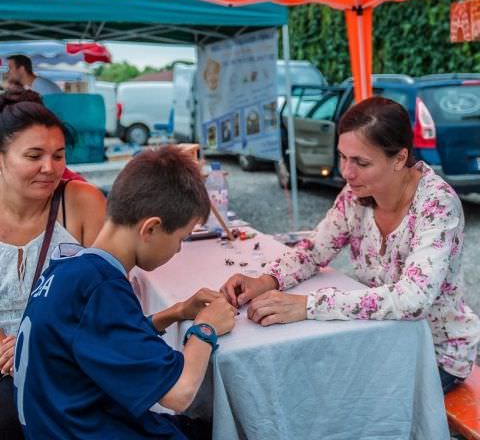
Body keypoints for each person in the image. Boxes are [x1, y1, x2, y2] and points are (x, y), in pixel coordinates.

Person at [221, 96, 480, 394]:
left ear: (399, 158)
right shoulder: (356, 193)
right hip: (376, 336)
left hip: (433, 353)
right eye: (343, 157)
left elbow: (412, 300)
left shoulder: (437, 204)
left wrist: (308, 305)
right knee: (298, 375)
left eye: (361, 162)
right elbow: (314, 249)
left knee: (327, 392)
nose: (347, 172)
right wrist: (267, 280)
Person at [14, 146, 237, 439]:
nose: (178, 250)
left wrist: (175, 313)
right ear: (151, 229)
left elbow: (99, 339)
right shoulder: (100, 287)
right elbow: (179, 393)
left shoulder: (70, 265)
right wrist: (205, 328)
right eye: (180, 239)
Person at [0, 88, 106, 439]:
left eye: (59, 155)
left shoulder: (81, 201)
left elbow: (107, 298)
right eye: (34, 155)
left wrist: (36, 341)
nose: (50, 168)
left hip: (69, 357)